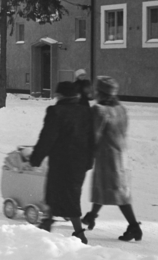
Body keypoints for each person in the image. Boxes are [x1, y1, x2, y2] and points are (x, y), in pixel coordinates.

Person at [29, 80, 95, 243]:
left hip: (61, 162)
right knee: (68, 193)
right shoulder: (85, 111)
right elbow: (92, 139)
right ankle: (48, 221)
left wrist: (36, 158)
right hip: (79, 162)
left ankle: (79, 233)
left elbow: (47, 138)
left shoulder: (56, 112)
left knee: (62, 194)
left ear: (60, 95)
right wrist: (89, 161)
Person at [83, 76, 142, 241]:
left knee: (116, 193)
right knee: (108, 189)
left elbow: (93, 135)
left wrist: (87, 153)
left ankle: (134, 227)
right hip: (121, 156)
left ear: (100, 92)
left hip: (107, 157)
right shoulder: (121, 109)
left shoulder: (99, 110)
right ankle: (91, 216)